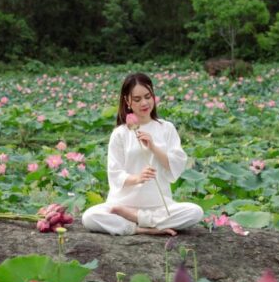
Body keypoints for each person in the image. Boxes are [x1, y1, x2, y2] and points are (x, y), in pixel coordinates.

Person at [82, 73, 204, 236]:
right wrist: (137, 178)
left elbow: (175, 164)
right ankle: (140, 228)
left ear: (153, 95)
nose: (144, 103)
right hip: (123, 205)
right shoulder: (120, 133)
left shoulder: (166, 128)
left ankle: (138, 218)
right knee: (89, 217)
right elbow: (115, 173)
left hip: (158, 206)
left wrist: (153, 147)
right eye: (137, 99)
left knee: (195, 212)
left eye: (148, 96)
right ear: (127, 101)